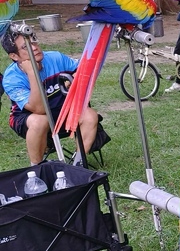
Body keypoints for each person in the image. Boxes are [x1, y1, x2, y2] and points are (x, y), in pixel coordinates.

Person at [1, 28, 105, 164]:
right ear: (14, 56)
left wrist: (75, 78)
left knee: (90, 115)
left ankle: (78, 163)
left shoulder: (55, 58)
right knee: (40, 121)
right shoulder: (11, 78)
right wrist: (33, 74)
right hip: (29, 117)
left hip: (62, 111)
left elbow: (89, 67)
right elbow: (39, 109)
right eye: (26, 47)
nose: (35, 48)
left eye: (34, 42)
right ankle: (36, 169)